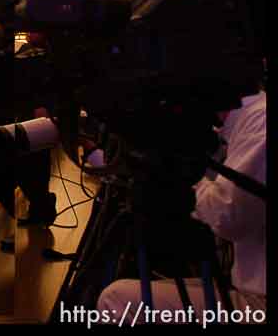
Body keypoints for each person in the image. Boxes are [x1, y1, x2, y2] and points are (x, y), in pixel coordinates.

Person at [97, 89, 266, 320]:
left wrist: (189, 178)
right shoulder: (246, 121)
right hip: (247, 286)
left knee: (115, 299)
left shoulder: (261, 121)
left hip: (260, 300)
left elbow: (228, 216)